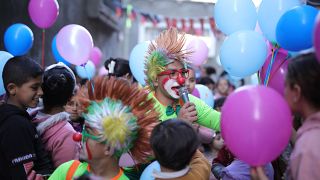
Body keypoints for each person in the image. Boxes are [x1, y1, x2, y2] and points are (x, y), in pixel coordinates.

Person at [49, 76, 159, 179]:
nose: (78, 137)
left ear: (108, 147)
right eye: (83, 130)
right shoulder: (68, 171)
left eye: (89, 131)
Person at [252, 53, 320, 180]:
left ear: (296, 92)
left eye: (285, 85)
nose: (282, 92)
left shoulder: (309, 147)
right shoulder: (309, 135)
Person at [144, 27, 220, 131]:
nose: (181, 80)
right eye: (173, 73)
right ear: (155, 79)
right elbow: (149, 145)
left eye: (183, 73)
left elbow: (221, 122)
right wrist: (179, 124)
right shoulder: (143, 105)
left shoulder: (189, 102)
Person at [0, 56, 53, 179]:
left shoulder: (17, 118)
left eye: (41, 86)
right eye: (34, 87)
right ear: (12, 89)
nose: (41, 92)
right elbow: (25, 175)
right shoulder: (15, 125)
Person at [32, 62, 80, 168]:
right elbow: (66, 174)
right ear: (70, 97)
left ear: (41, 90)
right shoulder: (68, 135)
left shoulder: (25, 118)